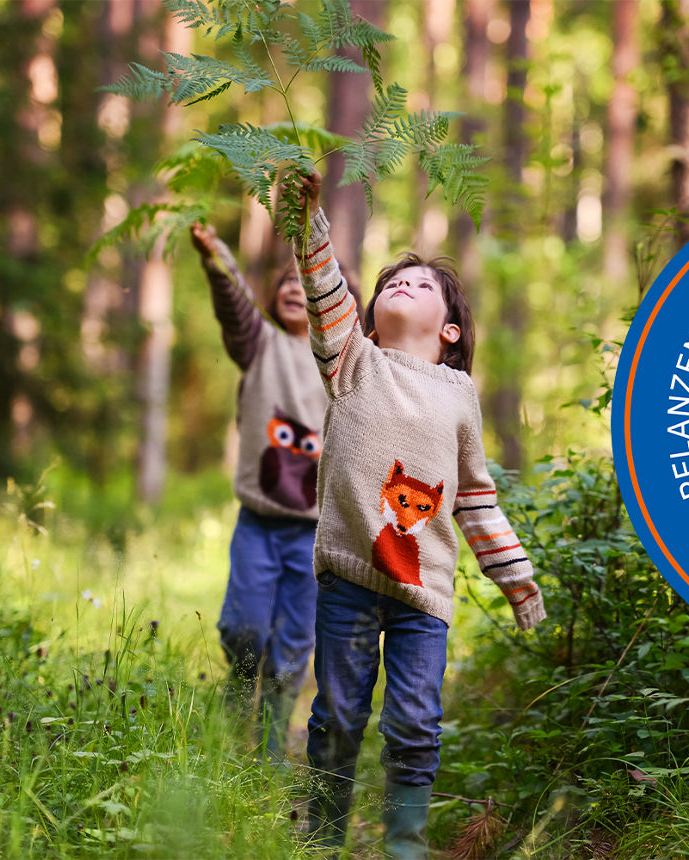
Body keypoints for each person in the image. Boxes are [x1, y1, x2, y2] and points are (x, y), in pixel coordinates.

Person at [279, 172, 546, 859]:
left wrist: (517, 580)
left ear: (450, 328)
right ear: (367, 318)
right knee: (338, 713)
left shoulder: (460, 396)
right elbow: (323, 285)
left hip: (424, 594)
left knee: (416, 723)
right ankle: (323, 839)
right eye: (393, 282)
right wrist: (305, 218)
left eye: (422, 284)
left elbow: (477, 498)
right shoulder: (351, 360)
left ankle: (404, 844)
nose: (403, 285)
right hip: (348, 577)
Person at [190, 222, 337, 761]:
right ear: (275, 298)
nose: (297, 287)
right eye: (287, 282)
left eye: (309, 282)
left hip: (313, 533)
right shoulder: (259, 344)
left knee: (294, 647)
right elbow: (234, 306)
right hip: (259, 522)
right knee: (244, 629)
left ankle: (270, 750)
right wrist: (217, 258)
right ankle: (236, 703)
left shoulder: (341, 366)